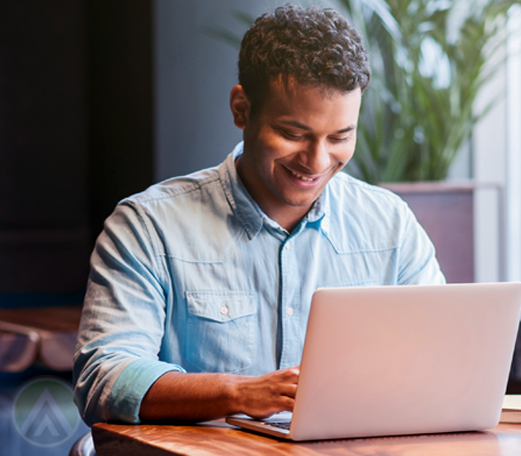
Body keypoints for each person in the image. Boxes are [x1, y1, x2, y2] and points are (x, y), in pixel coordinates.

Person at [73, 4, 445, 426]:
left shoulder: (391, 225)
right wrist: (240, 394)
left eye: (340, 136)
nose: (317, 160)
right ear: (241, 110)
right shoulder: (148, 227)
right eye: (293, 134)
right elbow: (104, 378)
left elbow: (441, 364)